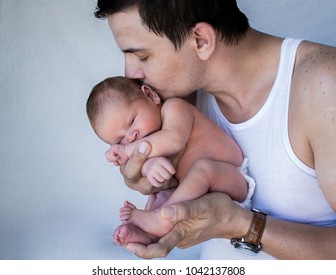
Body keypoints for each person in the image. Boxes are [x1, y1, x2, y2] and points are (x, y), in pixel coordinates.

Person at [94, 0, 336, 259]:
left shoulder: (323, 85)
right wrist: (151, 179)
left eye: (143, 56)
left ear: (200, 40)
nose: (129, 73)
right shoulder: (176, 96)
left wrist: (240, 225)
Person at [86, 76, 254, 246]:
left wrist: (125, 150)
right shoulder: (150, 144)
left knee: (203, 169)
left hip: (232, 179)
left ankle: (161, 217)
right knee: (159, 193)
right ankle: (148, 234)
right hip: (200, 198)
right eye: (119, 140)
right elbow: (147, 159)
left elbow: (173, 139)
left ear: (151, 96)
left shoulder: (174, 108)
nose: (131, 137)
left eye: (132, 122)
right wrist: (149, 165)